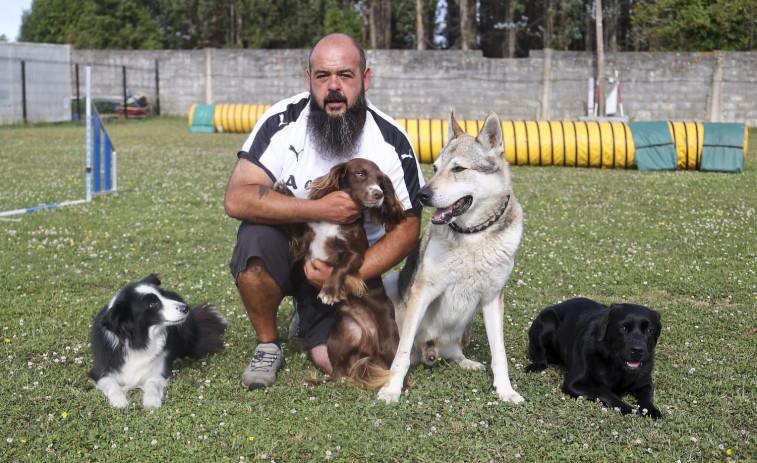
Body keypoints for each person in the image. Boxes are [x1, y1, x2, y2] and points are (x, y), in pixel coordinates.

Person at [224, 33, 425, 390]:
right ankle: (268, 345)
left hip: (349, 264)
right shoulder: (281, 121)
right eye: (323, 76)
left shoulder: (391, 140)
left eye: (345, 75)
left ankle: (307, 319)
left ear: (364, 79)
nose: (333, 87)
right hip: (294, 246)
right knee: (253, 239)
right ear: (309, 79)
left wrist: (347, 276)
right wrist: (318, 208)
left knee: (340, 364)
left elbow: (408, 229)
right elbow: (237, 198)